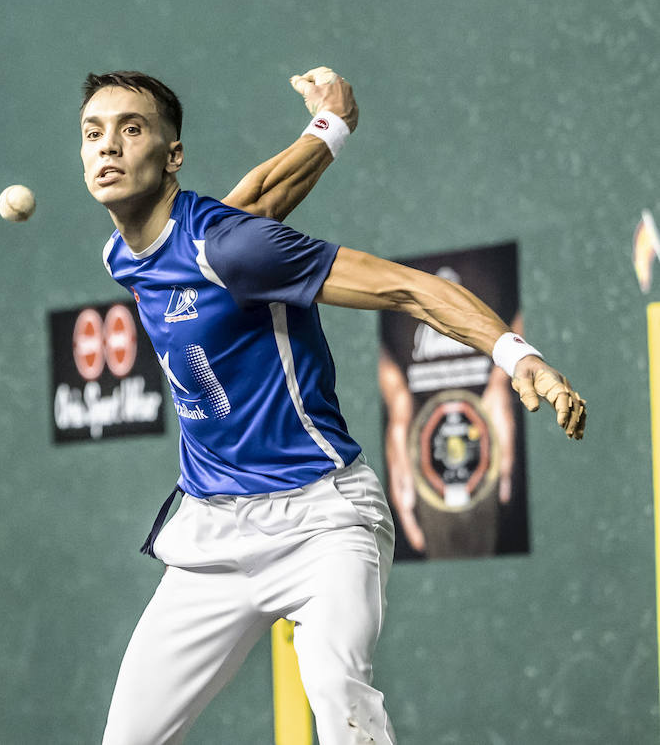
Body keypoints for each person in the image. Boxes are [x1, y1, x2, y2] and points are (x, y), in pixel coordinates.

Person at [80, 69, 586, 745]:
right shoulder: (130, 252)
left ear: (173, 156)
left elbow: (405, 290)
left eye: (131, 129)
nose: (108, 147)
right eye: (93, 133)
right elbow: (259, 197)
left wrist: (517, 355)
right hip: (210, 535)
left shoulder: (233, 248)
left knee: (336, 691)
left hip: (321, 521)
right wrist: (332, 126)